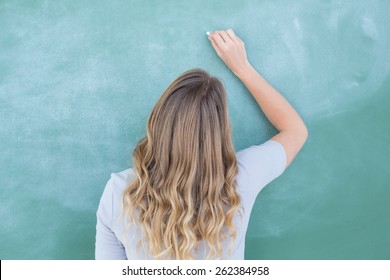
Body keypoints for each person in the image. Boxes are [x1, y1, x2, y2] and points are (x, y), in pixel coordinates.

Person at [95, 28, 308, 260]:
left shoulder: (119, 193)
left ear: (157, 123)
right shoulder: (241, 178)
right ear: (220, 133)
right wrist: (243, 68)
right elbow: (295, 130)